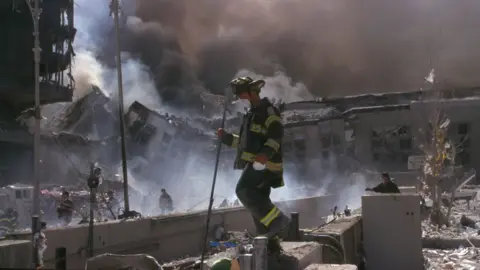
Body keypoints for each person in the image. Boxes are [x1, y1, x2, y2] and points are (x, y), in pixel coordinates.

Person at [217, 76, 290, 254]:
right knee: (257, 205)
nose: (240, 99)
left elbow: (276, 136)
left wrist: (265, 155)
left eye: (242, 94)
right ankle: (270, 245)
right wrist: (226, 138)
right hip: (257, 164)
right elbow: (244, 144)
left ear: (251, 93)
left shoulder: (268, 111)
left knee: (243, 190)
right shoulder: (251, 115)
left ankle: (279, 221)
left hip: (265, 165)